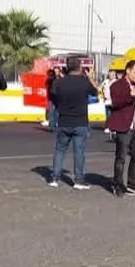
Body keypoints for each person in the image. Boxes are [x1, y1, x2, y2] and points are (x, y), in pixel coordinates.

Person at [47, 57, 99, 189]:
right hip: (80, 121)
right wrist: (90, 77)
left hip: (64, 120)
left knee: (59, 150)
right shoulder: (84, 81)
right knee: (79, 152)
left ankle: (54, 178)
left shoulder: (59, 82)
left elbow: (52, 97)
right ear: (79, 67)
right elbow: (95, 92)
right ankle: (79, 180)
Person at [106, 60, 135, 197]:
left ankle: (132, 184)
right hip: (124, 127)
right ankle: (117, 184)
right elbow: (116, 103)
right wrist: (131, 95)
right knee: (121, 158)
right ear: (127, 71)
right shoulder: (117, 85)